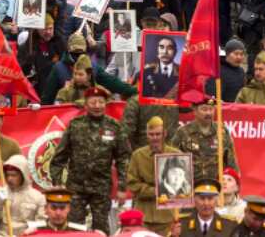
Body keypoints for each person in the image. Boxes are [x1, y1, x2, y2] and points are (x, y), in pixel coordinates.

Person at [49, 87, 129, 234]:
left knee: (101, 229)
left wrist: (122, 187)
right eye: (93, 102)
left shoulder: (115, 126)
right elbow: (60, 156)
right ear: (86, 104)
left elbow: (123, 158)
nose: (97, 106)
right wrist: (57, 182)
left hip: (102, 187)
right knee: (74, 228)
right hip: (76, 187)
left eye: (100, 102)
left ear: (106, 104)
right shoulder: (75, 125)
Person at [126, 116, 181, 235]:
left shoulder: (176, 155)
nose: (154, 138)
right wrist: (155, 191)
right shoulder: (138, 155)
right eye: (151, 134)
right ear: (147, 135)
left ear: (164, 134)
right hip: (143, 215)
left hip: (167, 215)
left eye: (158, 134)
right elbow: (132, 183)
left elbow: (182, 185)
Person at [172, 96, 238, 181]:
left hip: (217, 183)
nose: (208, 113)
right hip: (191, 183)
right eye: (204, 109)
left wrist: (234, 181)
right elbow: (172, 158)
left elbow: (231, 160)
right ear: (195, 111)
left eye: (211, 109)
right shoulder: (183, 132)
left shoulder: (222, 131)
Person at [0, 154, 45, 235]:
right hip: (2, 234)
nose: (9, 178)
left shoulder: (38, 197)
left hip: (26, 235)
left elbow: (41, 222)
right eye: (7, 175)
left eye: (13, 175)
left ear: (23, 175)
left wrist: (31, 231)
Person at [170, 179, 236, 237]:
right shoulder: (182, 225)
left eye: (210, 198)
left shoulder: (229, 226)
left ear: (216, 201)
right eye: (202, 198)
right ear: (194, 200)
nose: (206, 203)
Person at [24, 188, 89, 233]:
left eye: (62, 208)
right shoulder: (34, 230)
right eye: (53, 208)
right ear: (45, 209)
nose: (58, 213)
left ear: (69, 209)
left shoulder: (79, 232)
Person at [141, 35, 180, 99]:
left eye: (169, 48)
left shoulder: (183, 72)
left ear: (175, 52)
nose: (165, 52)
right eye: (161, 47)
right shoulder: (146, 71)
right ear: (157, 50)